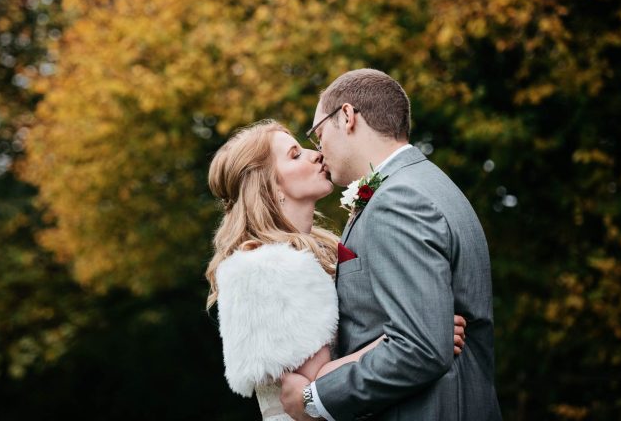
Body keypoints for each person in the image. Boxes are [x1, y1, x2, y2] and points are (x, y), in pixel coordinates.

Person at [205, 120, 467, 421]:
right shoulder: (268, 268)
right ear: (269, 186)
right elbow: (317, 387)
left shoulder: (313, 253)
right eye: (294, 155)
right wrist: (422, 331)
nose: (314, 154)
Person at [280, 68, 502, 421]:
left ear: (348, 116)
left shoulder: (397, 199)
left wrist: (316, 397)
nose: (318, 150)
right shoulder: (429, 184)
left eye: (318, 134)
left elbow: (420, 347)